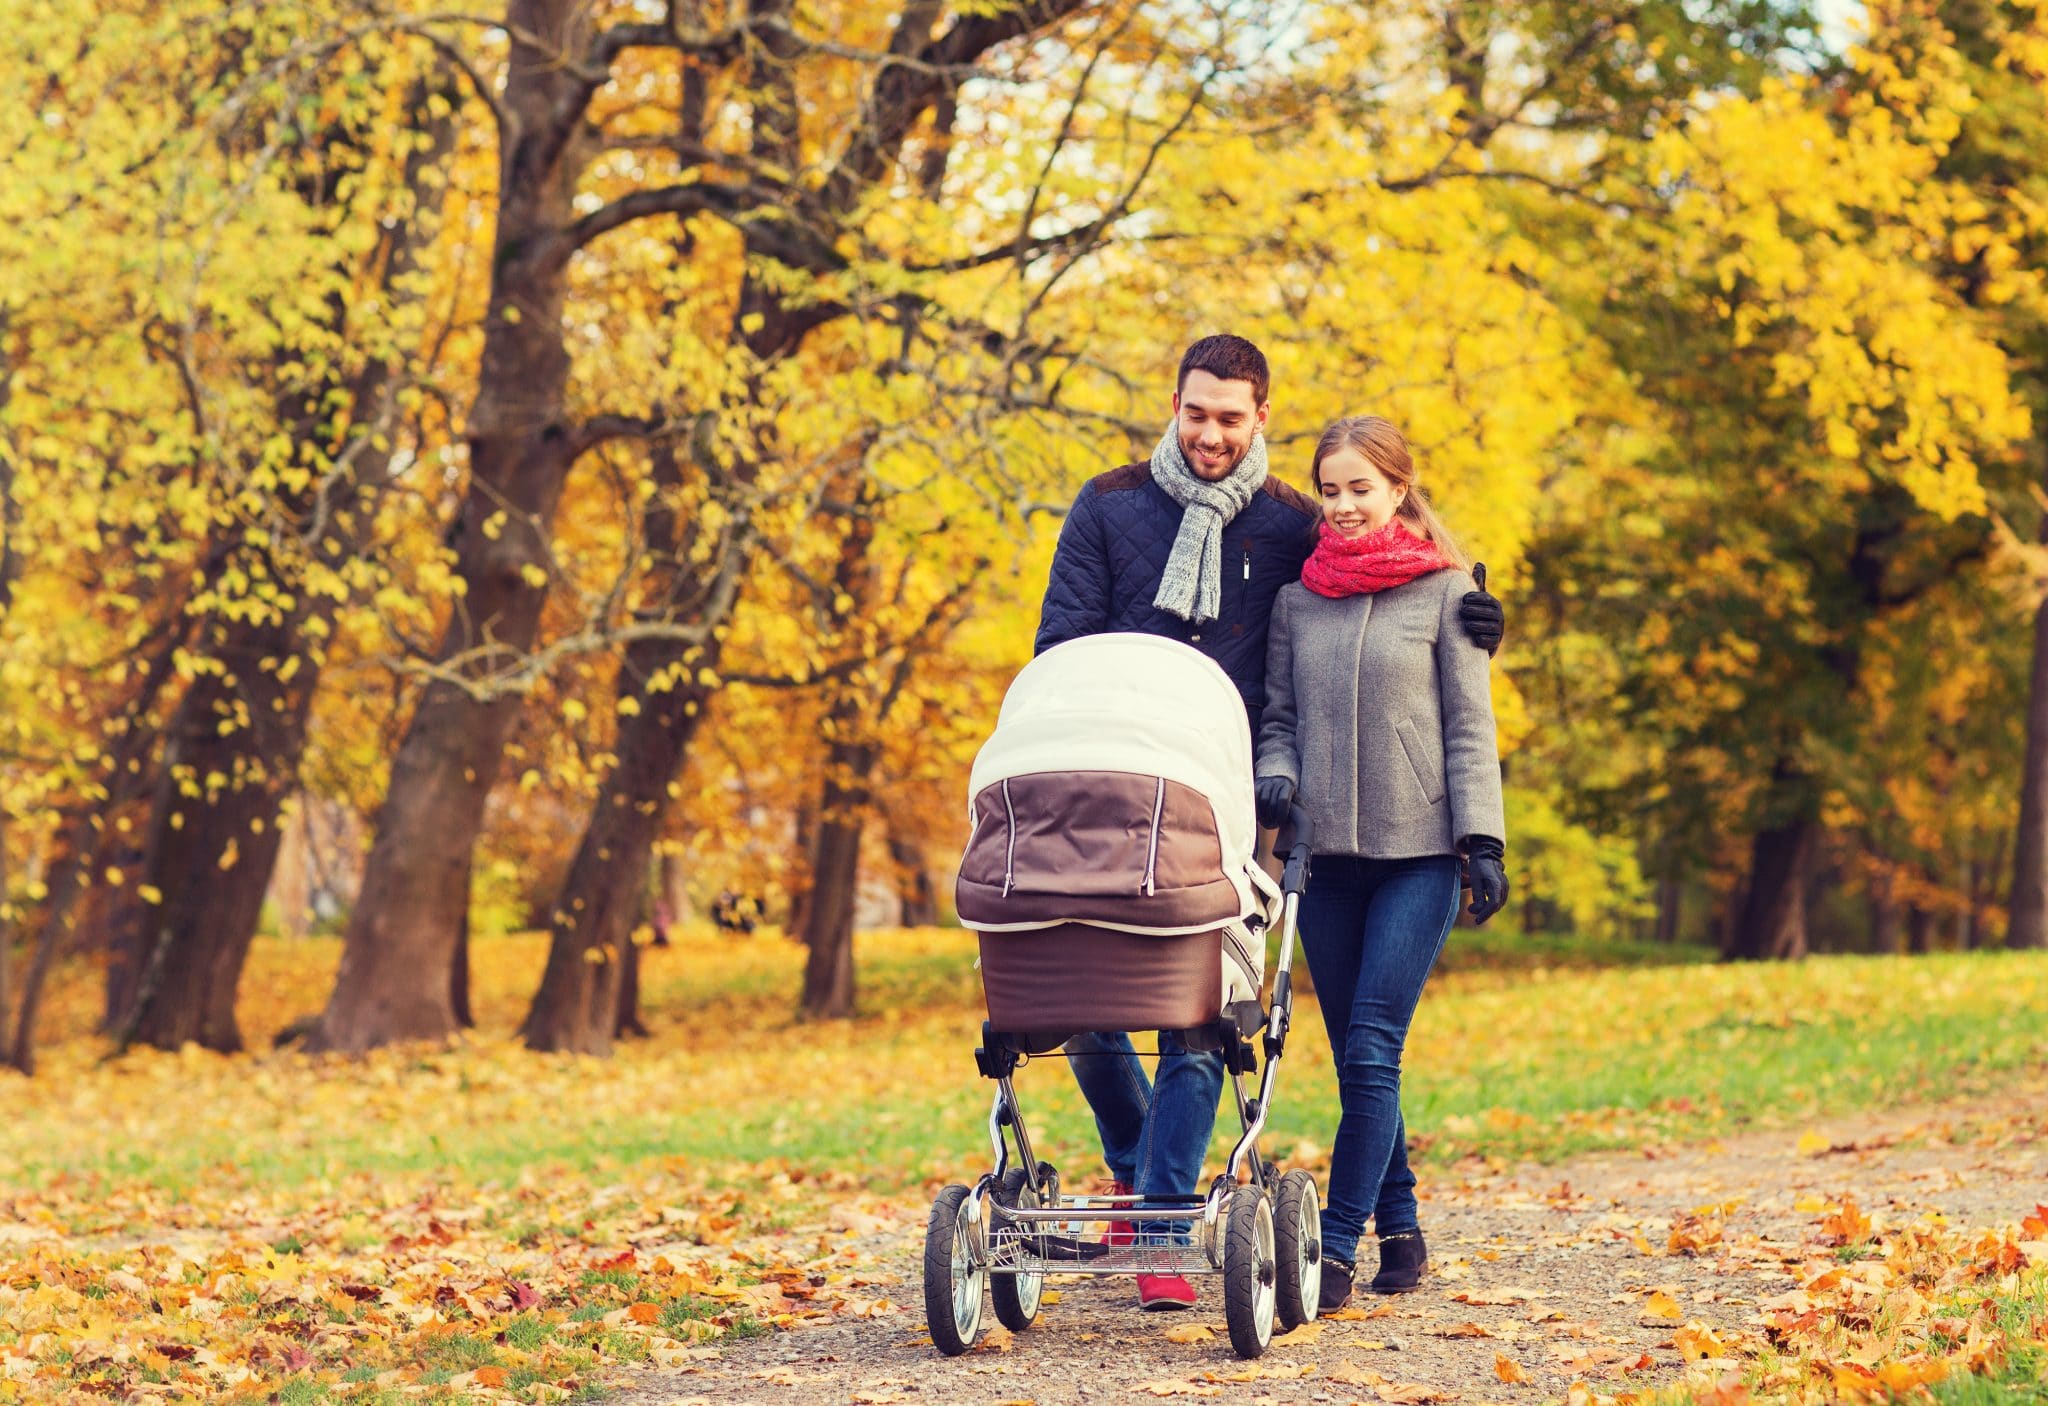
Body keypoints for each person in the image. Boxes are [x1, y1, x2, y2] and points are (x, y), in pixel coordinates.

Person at [1034, 339, 1506, 1309]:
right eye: (1196, 413)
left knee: (1206, 1012)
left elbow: (1373, 567)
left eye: (1230, 417)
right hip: (1113, 785)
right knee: (1082, 999)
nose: (1210, 433)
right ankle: (1134, 1163)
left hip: (1233, 804)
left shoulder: (1290, 523)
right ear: (1173, 404)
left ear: (1258, 419)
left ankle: (1165, 1219)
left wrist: (1474, 617)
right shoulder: (1107, 504)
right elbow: (1060, 644)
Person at [1252, 414, 1510, 1312]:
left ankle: (1335, 1246)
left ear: (1399, 489)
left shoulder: (1448, 596)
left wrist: (1484, 840)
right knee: (1361, 1058)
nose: (1345, 505)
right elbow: (1277, 718)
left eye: (1362, 487)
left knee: (1370, 1047)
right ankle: (1402, 1230)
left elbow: (1471, 728)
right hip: (1323, 856)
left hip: (1421, 854)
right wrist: (1276, 777)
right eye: (1331, 489)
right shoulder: (1296, 601)